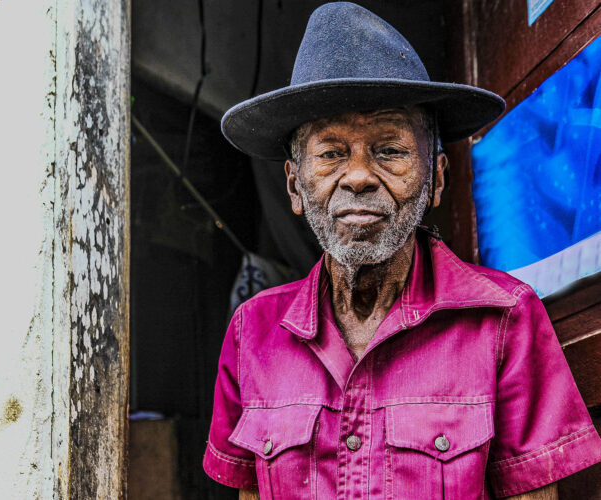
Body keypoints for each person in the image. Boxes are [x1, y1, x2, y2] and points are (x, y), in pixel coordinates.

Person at [202, 3, 601, 499]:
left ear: (436, 179)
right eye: (330, 153)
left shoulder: (506, 318)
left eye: (390, 150)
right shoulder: (252, 332)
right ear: (294, 187)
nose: (359, 176)